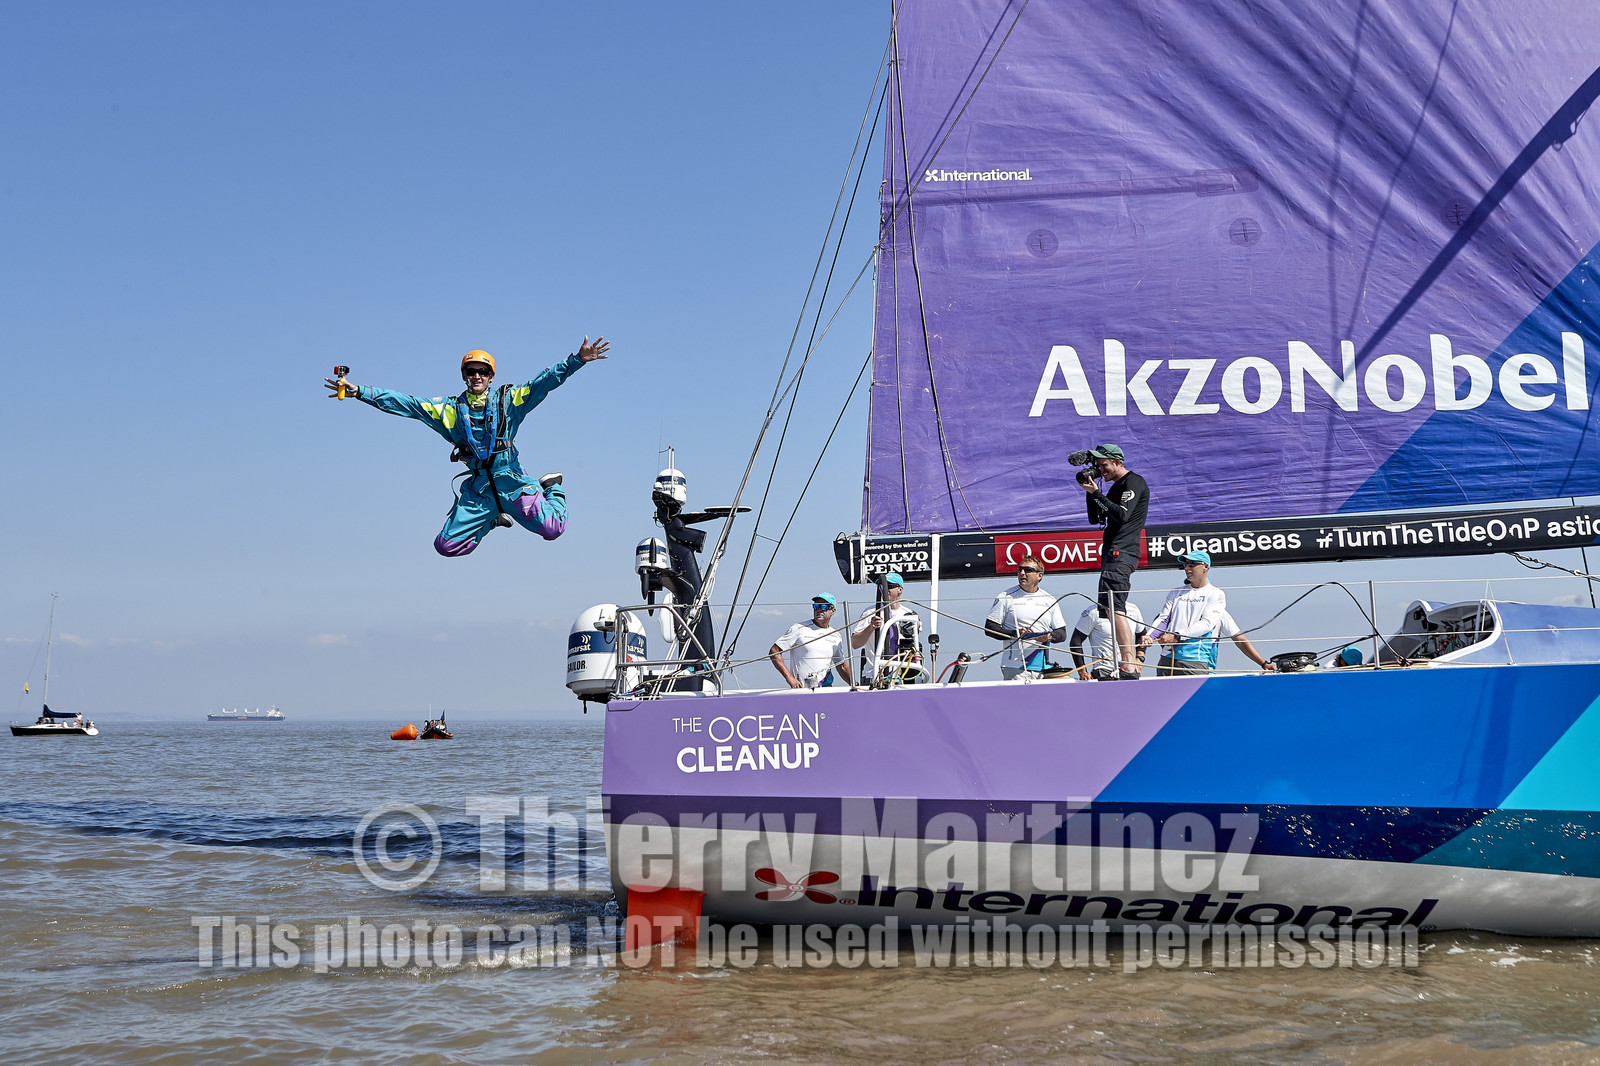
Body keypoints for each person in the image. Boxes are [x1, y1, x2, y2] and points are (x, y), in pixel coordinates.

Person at [323, 338, 609, 555]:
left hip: (512, 483)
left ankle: (552, 487)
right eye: (471, 371)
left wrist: (576, 361)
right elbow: (406, 403)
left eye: (482, 371)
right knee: (446, 546)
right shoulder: (447, 410)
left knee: (553, 529)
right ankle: (493, 520)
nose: (476, 376)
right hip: (480, 492)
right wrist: (360, 392)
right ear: (463, 375)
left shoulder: (509, 401)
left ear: (491, 376)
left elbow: (542, 383)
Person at [1077, 444, 1149, 679]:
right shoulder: (1115, 487)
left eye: (1104, 465)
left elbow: (1122, 515)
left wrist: (1097, 494)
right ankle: (1126, 664)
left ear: (1117, 461)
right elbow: (1094, 518)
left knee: (1115, 607)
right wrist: (1091, 493)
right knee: (1108, 609)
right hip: (1111, 554)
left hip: (1122, 552)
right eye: (1098, 466)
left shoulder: (1133, 481)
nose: (1101, 470)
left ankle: (1128, 664)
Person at [1142, 550, 1227, 676]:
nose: (1187, 568)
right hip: (1167, 658)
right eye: (1185, 565)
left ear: (1205, 567)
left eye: (1192, 564)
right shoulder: (1175, 592)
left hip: (1194, 660)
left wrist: (1177, 636)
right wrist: (1150, 636)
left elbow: (1206, 624)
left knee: (1196, 697)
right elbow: (1164, 619)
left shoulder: (1216, 593)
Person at [985, 557, 1069, 680]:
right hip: (1014, 666)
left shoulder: (1049, 599)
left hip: (1042, 668)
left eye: (1027, 570)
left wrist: (1049, 636)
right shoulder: (1006, 596)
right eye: (1020, 570)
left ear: (1039, 575)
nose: (1022, 573)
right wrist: (1015, 633)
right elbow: (989, 628)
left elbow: (1062, 633)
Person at [850, 572, 922, 686]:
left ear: (900, 589)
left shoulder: (910, 615)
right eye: (882, 586)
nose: (885, 589)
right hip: (872, 675)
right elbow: (854, 643)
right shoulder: (870, 612)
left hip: (901, 676)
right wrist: (870, 628)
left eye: (889, 585)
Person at [770, 593, 854, 689]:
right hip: (801, 689)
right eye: (815, 606)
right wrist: (790, 678)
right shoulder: (799, 628)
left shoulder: (836, 635)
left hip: (825, 689)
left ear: (833, 611)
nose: (818, 610)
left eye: (823, 606)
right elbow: (774, 651)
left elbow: (841, 665)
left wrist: (855, 684)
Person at [1070, 600, 1146, 680]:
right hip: (1103, 670)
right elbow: (1075, 642)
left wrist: (1140, 659)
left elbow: (1142, 634)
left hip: (1129, 670)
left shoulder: (1133, 609)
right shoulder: (1093, 612)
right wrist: (1082, 672)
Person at [1204, 611, 1277, 673]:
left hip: (1206, 673)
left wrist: (1264, 664)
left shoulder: (1219, 612)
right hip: (1200, 672)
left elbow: (1240, 640)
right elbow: (1240, 640)